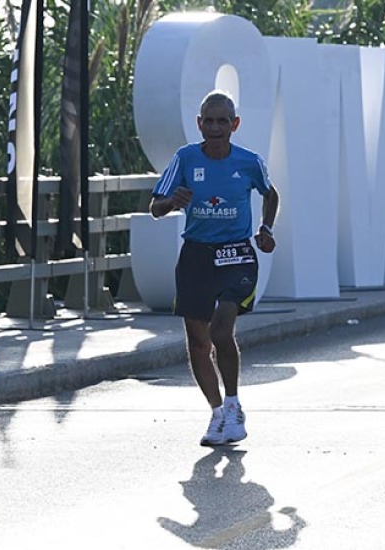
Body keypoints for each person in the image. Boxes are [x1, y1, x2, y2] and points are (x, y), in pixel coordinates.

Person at [149, 90, 279, 445]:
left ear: (234, 124)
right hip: (196, 256)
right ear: (199, 124)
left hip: (236, 253)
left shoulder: (248, 161)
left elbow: (270, 194)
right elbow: (154, 207)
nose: (215, 127)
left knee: (222, 331)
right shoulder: (186, 159)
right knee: (196, 343)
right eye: (209, 120)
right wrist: (171, 201)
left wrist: (265, 229)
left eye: (223, 121)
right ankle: (217, 413)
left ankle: (235, 406)